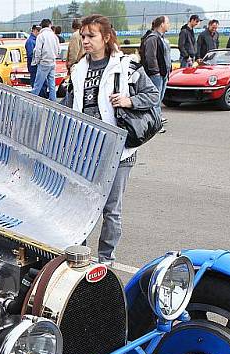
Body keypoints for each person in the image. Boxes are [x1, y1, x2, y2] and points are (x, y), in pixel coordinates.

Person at [63, 14, 158, 264]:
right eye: (83, 36)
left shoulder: (126, 66)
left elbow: (153, 95)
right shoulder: (78, 69)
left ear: (105, 37)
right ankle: (78, 258)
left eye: (91, 36)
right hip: (84, 151)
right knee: (79, 208)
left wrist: (129, 101)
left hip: (119, 151)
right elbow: (69, 104)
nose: (85, 41)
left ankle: (106, 260)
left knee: (111, 211)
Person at [140, 16, 171, 105]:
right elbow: (150, 56)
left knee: (159, 100)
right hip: (157, 75)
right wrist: (155, 72)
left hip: (164, 73)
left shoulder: (162, 38)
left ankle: (158, 116)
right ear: (162, 24)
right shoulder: (152, 38)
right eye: (167, 23)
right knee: (154, 100)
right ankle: (154, 118)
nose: (169, 25)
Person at [31, 18, 60, 101]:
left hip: (43, 63)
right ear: (50, 25)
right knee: (52, 84)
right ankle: (53, 101)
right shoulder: (54, 36)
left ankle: (32, 101)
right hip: (52, 62)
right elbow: (58, 50)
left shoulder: (41, 36)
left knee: (37, 85)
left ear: (41, 26)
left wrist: (37, 61)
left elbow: (37, 50)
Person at [25, 24, 45, 97]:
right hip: (33, 66)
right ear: (34, 31)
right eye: (38, 31)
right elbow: (30, 54)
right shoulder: (30, 41)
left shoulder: (36, 40)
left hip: (37, 65)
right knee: (35, 84)